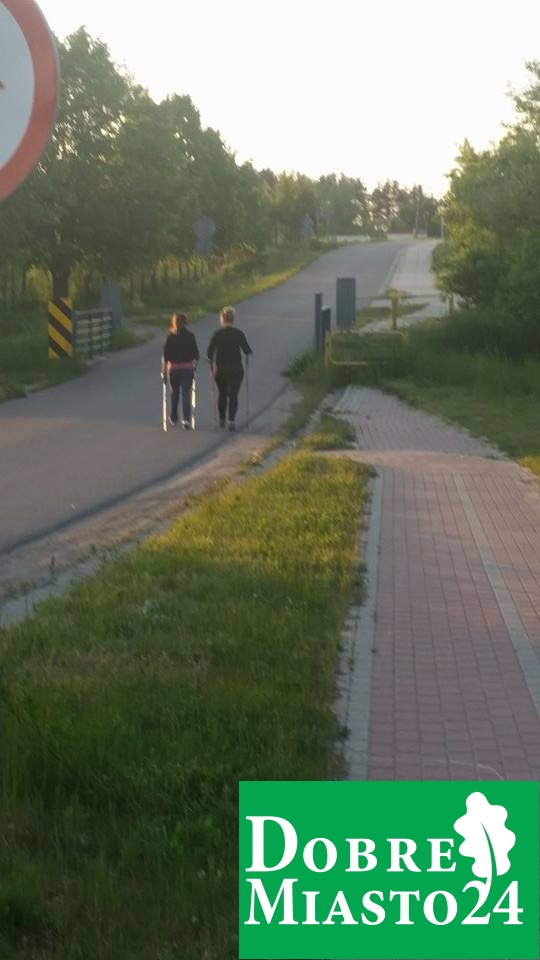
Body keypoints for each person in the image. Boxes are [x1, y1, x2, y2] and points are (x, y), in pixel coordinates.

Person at [207, 305, 252, 431]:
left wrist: (211, 363)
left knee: (222, 394)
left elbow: (209, 353)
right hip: (236, 369)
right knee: (233, 395)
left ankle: (222, 419)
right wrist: (246, 356)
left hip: (221, 369)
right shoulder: (239, 333)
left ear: (222, 319)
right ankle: (231, 420)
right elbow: (247, 350)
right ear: (233, 319)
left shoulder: (217, 334)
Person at [162, 311, 199, 429]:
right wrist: (194, 365)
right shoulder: (191, 336)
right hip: (187, 368)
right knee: (186, 394)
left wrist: (164, 371)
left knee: (174, 393)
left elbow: (165, 356)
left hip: (173, 369)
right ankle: (186, 420)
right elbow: (196, 354)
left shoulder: (170, 337)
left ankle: (173, 417)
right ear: (186, 322)